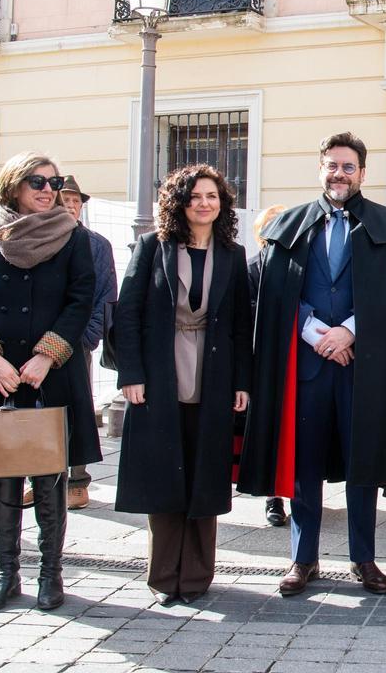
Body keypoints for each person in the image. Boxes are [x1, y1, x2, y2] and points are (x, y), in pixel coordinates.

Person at [238, 132, 386, 597]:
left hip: (365, 368)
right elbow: (273, 292)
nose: (339, 174)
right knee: (304, 465)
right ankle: (302, 559)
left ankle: (363, 557)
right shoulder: (289, 225)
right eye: (331, 165)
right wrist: (311, 330)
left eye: (348, 167)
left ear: (363, 173)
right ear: (320, 169)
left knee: (361, 462)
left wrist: (350, 329)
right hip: (305, 368)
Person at [0, 152, 99, 613]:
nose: (47, 190)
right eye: (37, 181)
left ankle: (49, 574)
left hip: (50, 373)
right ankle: (6, 574)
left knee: (50, 472)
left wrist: (46, 354)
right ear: (14, 184)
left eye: (54, 183)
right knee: (3, 472)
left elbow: (81, 301)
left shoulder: (73, 239)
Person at [114, 164, 252, 606]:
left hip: (212, 379)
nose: (204, 203)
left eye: (212, 196)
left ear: (222, 204)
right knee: (164, 476)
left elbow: (239, 325)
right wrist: (131, 374)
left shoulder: (232, 254)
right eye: (195, 196)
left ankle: (196, 577)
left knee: (205, 476)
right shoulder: (152, 247)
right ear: (180, 202)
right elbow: (127, 315)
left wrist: (241, 382)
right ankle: (163, 577)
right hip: (159, 377)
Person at [57, 175, 116, 510]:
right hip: (40, 341)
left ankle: (78, 481)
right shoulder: (42, 239)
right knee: (40, 411)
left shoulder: (96, 244)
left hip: (77, 342)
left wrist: (89, 335)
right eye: (64, 199)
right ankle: (44, 476)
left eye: (75, 201)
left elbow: (106, 295)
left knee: (78, 409)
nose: (70, 205)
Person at [247, 204, 289, 528]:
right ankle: (273, 496)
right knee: (271, 429)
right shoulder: (252, 267)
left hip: (298, 357)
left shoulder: (300, 265)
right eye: (271, 225)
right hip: (264, 360)